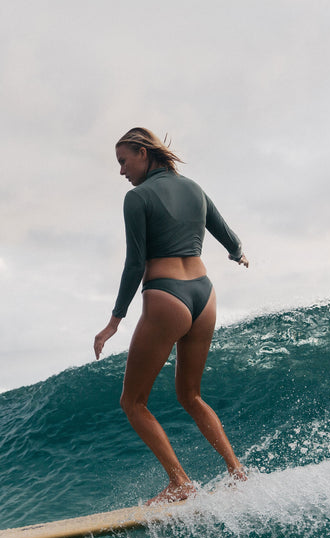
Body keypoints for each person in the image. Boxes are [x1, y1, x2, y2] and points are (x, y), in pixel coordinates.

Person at [94, 127, 249, 505]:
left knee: (133, 402)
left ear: (144, 154)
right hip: (205, 295)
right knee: (191, 395)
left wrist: (115, 320)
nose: (121, 171)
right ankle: (237, 472)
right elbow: (225, 232)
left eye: (123, 161)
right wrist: (237, 253)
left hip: (167, 296)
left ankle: (180, 482)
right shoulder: (194, 188)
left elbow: (135, 263)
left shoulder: (137, 198)